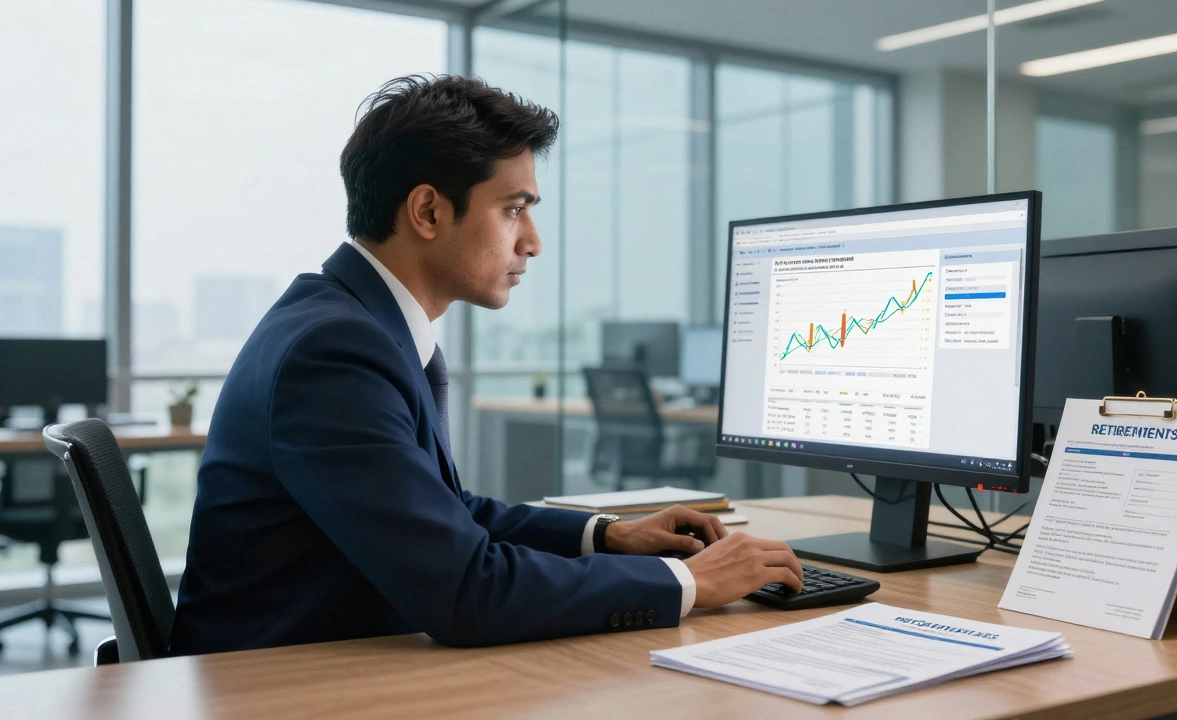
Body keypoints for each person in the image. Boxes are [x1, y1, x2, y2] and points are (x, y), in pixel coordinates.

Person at [168, 74, 803, 654]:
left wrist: (608, 535)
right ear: (427, 211)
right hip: (275, 685)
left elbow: (448, 515)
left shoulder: (357, 326)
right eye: (514, 209)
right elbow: (468, 592)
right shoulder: (334, 352)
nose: (533, 241)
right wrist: (687, 580)